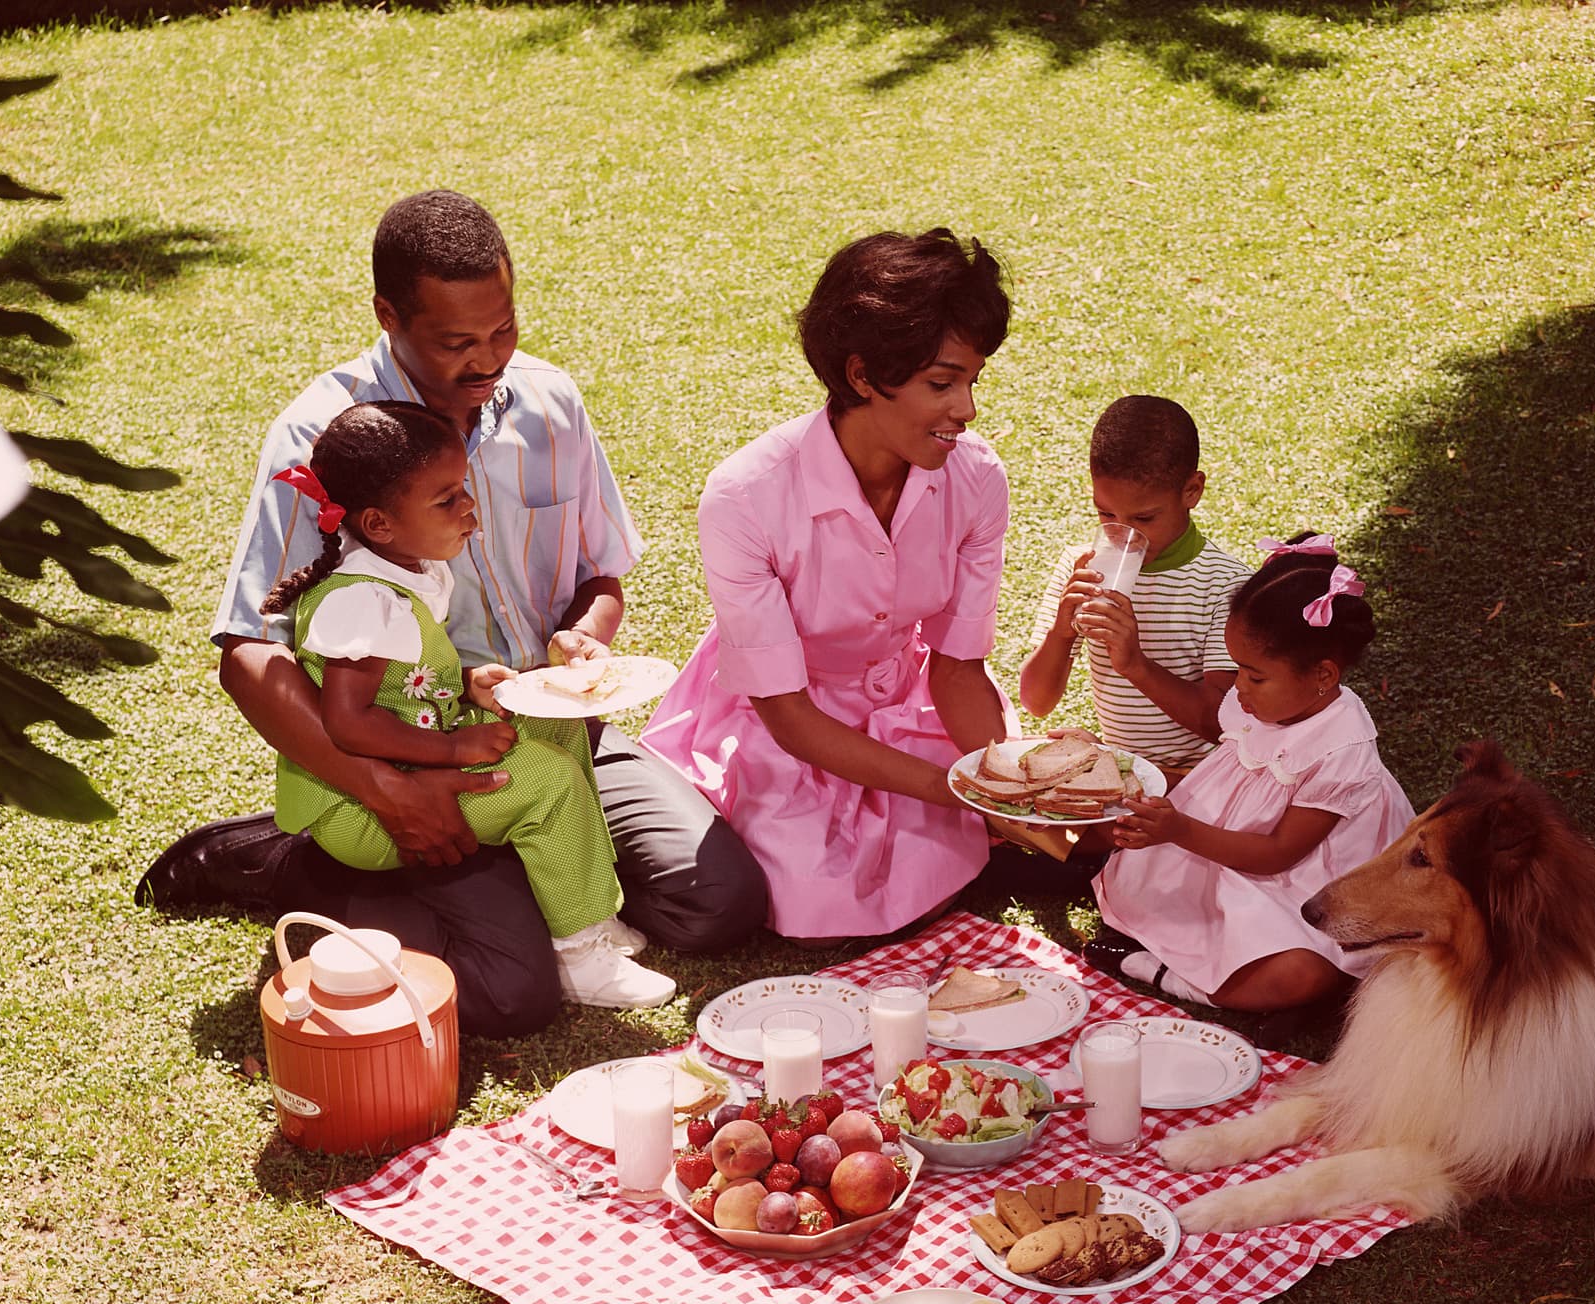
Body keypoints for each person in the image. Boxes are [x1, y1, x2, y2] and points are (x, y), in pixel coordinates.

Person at [138, 189, 765, 1035]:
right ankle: (295, 857)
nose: (489, 361)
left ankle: (526, 871)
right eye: (456, 342)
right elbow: (250, 654)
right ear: (388, 316)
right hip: (401, 746)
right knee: (512, 996)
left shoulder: (550, 405)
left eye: (502, 330)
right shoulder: (322, 440)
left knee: (717, 906)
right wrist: (385, 788)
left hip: (547, 731)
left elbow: (602, 576)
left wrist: (586, 635)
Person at [637, 228, 1013, 942]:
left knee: (971, 857)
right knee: (811, 902)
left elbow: (958, 667)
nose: (967, 409)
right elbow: (788, 714)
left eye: (973, 379)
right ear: (864, 375)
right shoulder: (744, 497)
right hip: (786, 725)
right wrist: (959, 792)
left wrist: (1006, 786)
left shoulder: (977, 478)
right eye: (942, 383)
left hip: (910, 701)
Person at [261, 401, 672, 1006]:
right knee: (547, 783)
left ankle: (589, 914)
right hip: (363, 805)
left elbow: (405, 681)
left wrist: (474, 682)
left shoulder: (408, 569)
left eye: (464, 490)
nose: (469, 508)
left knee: (554, 722)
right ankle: (578, 958)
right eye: (447, 499)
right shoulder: (363, 600)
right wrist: (452, 746)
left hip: (414, 749)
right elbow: (347, 721)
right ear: (379, 524)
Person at [1086, 534, 1415, 1012]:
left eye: (1254, 676)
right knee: (1154, 889)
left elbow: (1277, 855)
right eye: (1238, 669)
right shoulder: (1266, 706)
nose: (1237, 689)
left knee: (1299, 975)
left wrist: (1178, 829)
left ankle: (1175, 978)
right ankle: (1183, 944)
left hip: (1304, 885)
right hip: (1234, 846)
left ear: (1323, 676)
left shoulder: (1341, 753)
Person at [1019, 395, 1249, 776]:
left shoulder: (1226, 585)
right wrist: (1061, 633)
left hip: (1202, 778)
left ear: (1192, 491)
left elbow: (1219, 722)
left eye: (1144, 517)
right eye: (1105, 513)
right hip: (1124, 771)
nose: (1124, 534)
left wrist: (1135, 665)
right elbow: (1037, 701)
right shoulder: (1085, 567)